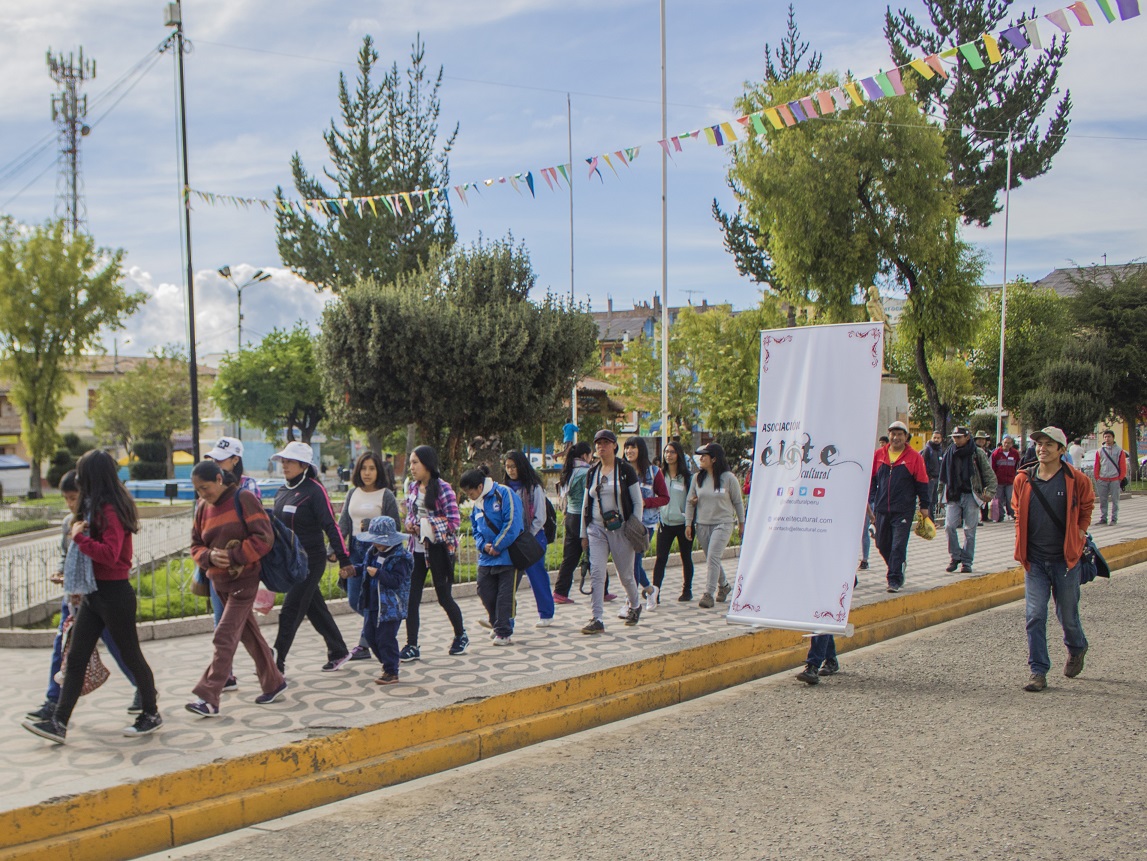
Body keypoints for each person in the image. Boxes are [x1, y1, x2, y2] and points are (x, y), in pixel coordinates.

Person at [22, 450, 162, 744]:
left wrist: (78, 538)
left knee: (131, 655)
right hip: (93, 593)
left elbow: (110, 555)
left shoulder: (110, 510)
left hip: (114, 594)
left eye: (82, 473)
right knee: (76, 658)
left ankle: (151, 713)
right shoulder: (94, 508)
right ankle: (59, 722)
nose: (78, 479)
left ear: (91, 477)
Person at [186, 461, 286, 716]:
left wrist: (233, 556)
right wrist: (208, 556)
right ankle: (274, 682)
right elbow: (195, 545)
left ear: (219, 479)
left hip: (245, 581)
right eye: (197, 489)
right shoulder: (202, 507)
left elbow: (264, 538)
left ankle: (208, 697)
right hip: (218, 582)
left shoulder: (244, 498)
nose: (202, 494)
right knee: (249, 635)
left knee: (224, 635)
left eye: (205, 488)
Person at [1012, 426, 1095, 692]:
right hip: (1034, 561)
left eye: (1049, 444)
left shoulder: (1076, 479)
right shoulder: (1024, 478)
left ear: (1061, 449)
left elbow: (1087, 505)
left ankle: (1077, 647)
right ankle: (1038, 671)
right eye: (1039, 444)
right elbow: (1016, 507)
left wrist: (1081, 530)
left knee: (1067, 616)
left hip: (1065, 561)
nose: (1042, 449)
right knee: (1035, 615)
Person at [270, 441, 353, 674]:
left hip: (311, 561)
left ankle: (276, 663)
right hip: (291, 562)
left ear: (304, 465)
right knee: (314, 607)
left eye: (290, 461)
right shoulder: (282, 491)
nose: (285, 465)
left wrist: (344, 559)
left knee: (291, 609)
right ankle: (338, 650)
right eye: (283, 461)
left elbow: (331, 525)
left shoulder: (314, 490)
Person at [200, 436, 260, 688]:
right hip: (216, 567)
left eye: (221, 459)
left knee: (233, 625)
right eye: (213, 459)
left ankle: (266, 670)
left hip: (242, 569)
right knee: (223, 621)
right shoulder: (207, 488)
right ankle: (231, 674)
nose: (216, 463)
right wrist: (206, 557)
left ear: (235, 460)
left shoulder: (247, 488)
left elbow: (258, 531)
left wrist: (237, 555)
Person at [401, 445, 468, 660]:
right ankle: (412, 644)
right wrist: (410, 524)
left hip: (439, 551)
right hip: (417, 551)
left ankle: (461, 635)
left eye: (415, 463)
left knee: (444, 597)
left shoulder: (444, 489)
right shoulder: (413, 488)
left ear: (427, 464)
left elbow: (454, 522)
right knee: (411, 599)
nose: (412, 467)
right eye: (411, 463)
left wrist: (426, 525)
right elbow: (410, 515)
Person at [580, 429, 645, 633]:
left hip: (621, 529)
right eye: (598, 443)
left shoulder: (625, 470)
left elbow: (638, 502)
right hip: (596, 528)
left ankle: (635, 605)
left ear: (615, 446)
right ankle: (597, 618)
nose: (602, 447)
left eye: (606, 443)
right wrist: (583, 533)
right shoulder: (592, 472)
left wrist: (634, 527)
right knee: (597, 573)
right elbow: (585, 504)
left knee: (625, 575)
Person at [337, 452, 400, 661]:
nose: (367, 473)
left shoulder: (386, 495)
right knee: (355, 599)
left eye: (372, 468)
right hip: (356, 549)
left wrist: (375, 529)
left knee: (370, 600)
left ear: (378, 471)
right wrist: (334, 549)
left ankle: (364, 645)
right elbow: (343, 524)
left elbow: (395, 527)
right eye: (364, 468)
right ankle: (382, 625)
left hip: (377, 552)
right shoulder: (352, 493)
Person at [459, 465, 523, 645]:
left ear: (480, 487)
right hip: (487, 558)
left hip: (509, 556)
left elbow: (512, 522)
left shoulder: (504, 494)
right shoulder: (477, 505)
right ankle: (498, 622)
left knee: (504, 595)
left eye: (470, 493)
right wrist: (483, 545)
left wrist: (497, 545)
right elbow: (476, 529)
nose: (470, 497)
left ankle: (503, 631)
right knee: (485, 591)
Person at [868, 421, 930, 593]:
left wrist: (924, 506)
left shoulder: (914, 457)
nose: (896, 438)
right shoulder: (879, 455)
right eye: (893, 434)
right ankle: (898, 565)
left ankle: (894, 579)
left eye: (900, 434)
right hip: (882, 509)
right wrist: (872, 499)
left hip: (903, 510)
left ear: (906, 437)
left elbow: (922, 482)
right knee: (881, 544)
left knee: (898, 545)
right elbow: (871, 480)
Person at [351, 516, 413, 684]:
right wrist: (354, 571)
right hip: (372, 603)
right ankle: (390, 661)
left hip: (390, 606)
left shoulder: (401, 557)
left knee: (385, 638)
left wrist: (379, 574)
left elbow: (396, 581)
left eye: (379, 541)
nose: (375, 543)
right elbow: (365, 568)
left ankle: (391, 671)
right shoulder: (372, 552)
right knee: (370, 636)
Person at [685, 442, 745, 609]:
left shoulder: (729, 478)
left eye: (704, 456)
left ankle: (708, 594)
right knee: (712, 559)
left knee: (713, 557)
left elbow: (738, 502)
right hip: (702, 524)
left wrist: (742, 523)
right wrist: (688, 523)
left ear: (714, 459)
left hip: (723, 524)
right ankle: (724, 585)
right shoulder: (697, 478)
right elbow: (689, 501)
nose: (701, 459)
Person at [503, 451, 556, 628]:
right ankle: (504, 619)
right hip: (511, 539)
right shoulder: (504, 489)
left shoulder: (534, 488)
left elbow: (540, 517)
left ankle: (546, 613)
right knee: (508, 582)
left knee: (537, 575)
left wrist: (527, 537)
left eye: (513, 466)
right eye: (507, 467)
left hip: (533, 538)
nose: (510, 470)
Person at [939, 426, 996, 574]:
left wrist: (990, 492)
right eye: (954, 437)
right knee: (949, 526)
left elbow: (989, 474)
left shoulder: (977, 453)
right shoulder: (949, 452)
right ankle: (955, 556)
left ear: (967, 437)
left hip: (971, 494)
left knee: (969, 530)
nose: (956, 440)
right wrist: (940, 496)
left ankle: (967, 562)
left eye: (959, 437)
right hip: (954, 494)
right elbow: (943, 476)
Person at [623, 436, 668, 611]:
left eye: (633, 447)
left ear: (641, 450)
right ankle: (650, 590)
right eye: (627, 448)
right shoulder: (621, 470)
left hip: (644, 525)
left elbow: (664, 498)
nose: (629, 451)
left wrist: (646, 502)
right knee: (629, 563)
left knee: (634, 561)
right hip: (625, 523)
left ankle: (631, 602)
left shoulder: (654, 472)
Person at [651, 440, 695, 602]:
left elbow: (692, 499)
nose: (668, 455)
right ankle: (655, 592)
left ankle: (687, 590)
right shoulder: (660, 475)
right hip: (665, 523)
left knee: (686, 557)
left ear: (679, 455)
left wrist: (689, 521)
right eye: (666, 452)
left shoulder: (687, 478)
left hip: (684, 524)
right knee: (661, 558)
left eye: (672, 452)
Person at [553, 442, 593, 604]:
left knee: (569, 557)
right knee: (594, 553)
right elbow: (589, 499)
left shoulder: (569, 471)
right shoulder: (586, 472)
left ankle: (560, 592)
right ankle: (602, 590)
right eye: (590, 455)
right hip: (583, 517)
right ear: (584, 456)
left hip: (570, 516)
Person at [1093, 429, 1127, 525]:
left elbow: (1122, 465)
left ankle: (1114, 519)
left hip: (1114, 479)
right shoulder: (1100, 451)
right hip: (1102, 479)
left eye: (1109, 437)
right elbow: (1097, 465)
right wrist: (1097, 477)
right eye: (1105, 437)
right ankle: (1103, 518)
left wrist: (1120, 478)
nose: (1107, 439)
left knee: (1115, 500)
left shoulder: (1119, 451)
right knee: (1103, 500)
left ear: (1113, 438)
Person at [990, 435, 1020, 522]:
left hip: (1010, 481)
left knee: (1010, 498)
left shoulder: (1015, 453)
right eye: (1005, 442)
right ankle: (999, 516)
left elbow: (1018, 466)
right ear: (1002, 443)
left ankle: (1012, 514)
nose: (1006, 444)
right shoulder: (996, 453)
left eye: (1009, 443)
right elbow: (992, 467)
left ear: (1012, 444)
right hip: (998, 481)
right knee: (998, 499)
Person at [922, 430, 944, 522]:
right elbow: (923, 464)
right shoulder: (928, 449)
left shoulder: (940, 450)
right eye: (934, 437)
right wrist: (928, 476)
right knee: (929, 501)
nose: (936, 440)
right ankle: (929, 521)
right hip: (930, 479)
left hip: (937, 478)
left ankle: (932, 520)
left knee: (934, 500)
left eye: (938, 438)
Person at [974, 432, 993, 523]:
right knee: (976, 499)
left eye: (983, 439)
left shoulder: (988, 452)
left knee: (985, 497)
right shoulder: (973, 450)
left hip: (984, 477)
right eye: (979, 439)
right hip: (976, 477)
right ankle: (975, 519)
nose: (981, 441)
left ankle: (984, 517)